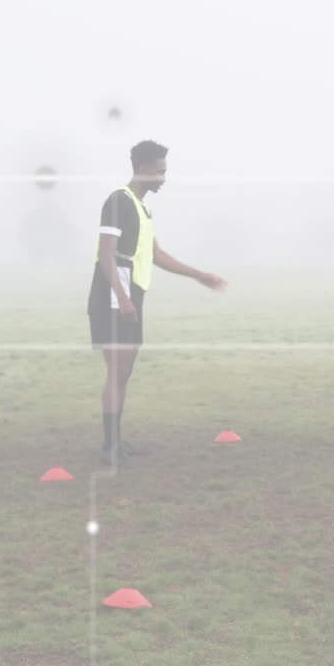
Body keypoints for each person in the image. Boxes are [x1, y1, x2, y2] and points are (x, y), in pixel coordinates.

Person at [88, 140, 226, 468]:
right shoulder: (118, 201)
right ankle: (109, 444)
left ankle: (116, 439)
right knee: (116, 370)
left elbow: (156, 254)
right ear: (146, 168)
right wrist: (121, 298)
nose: (164, 178)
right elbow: (106, 253)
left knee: (125, 371)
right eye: (161, 171)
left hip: (131, 294)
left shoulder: (142, 207)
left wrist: (198, 275)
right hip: (112, 295)